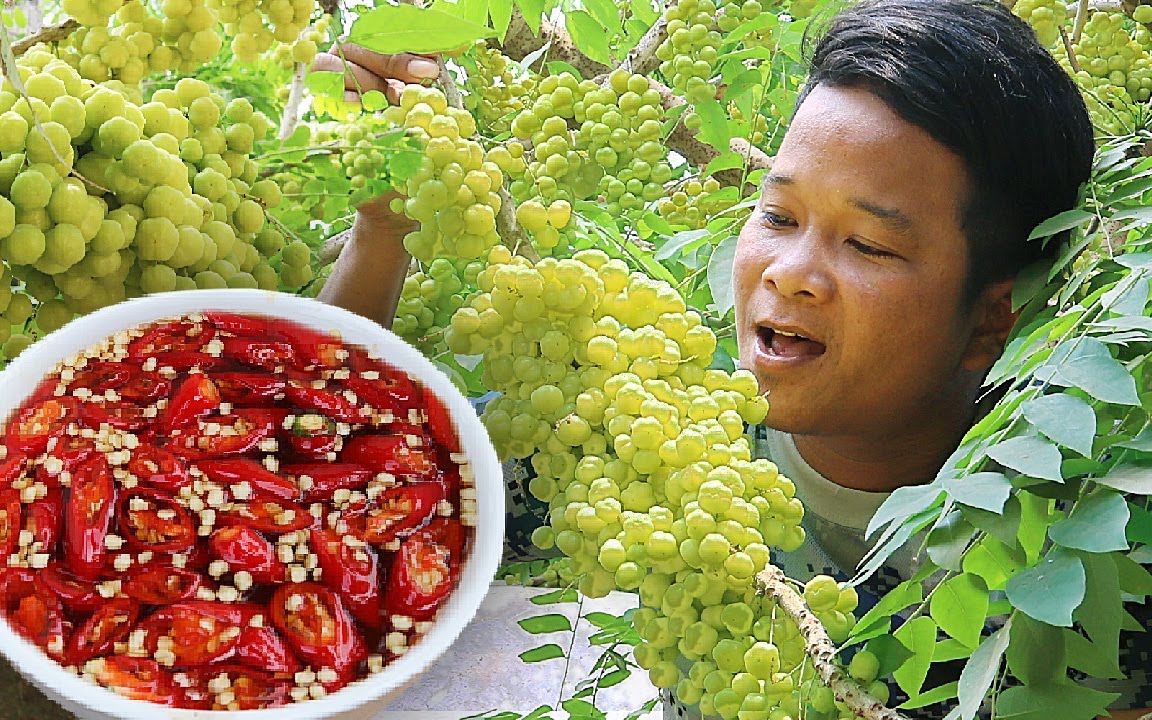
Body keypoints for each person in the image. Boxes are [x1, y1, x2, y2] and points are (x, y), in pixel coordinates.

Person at [314, 1, 1149, 717]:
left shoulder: (1096, 529)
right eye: (779, 216)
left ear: (990, 319)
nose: (788, 272)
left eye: (866, 243)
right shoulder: (637, 440)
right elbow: (316, 518)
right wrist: (383, 236)